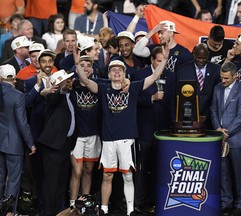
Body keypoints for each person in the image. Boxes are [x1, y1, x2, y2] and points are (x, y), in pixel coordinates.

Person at [74, 41, 170, 216]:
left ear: (125, 74)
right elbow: (86, 81)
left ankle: (131, 211)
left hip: (127, 140)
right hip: (109, 140)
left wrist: (165, 58)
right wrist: (76, 62)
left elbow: (155, 76)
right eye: (113, 70)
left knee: (127, 176)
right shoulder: (103, 88)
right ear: (109, 74)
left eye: (120, 70)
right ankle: (104, 209)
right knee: (107, 176)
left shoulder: (132, 87)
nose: (117, 72)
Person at [131, 46, 175, 214]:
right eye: (158, 60)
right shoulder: (139, 75)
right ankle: (139, 203)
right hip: (144, 130)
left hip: (163, 132)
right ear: (151, 60)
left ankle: (156, 200)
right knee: (141, 169)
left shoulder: (171, 76)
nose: (161, 63)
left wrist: (171, 127)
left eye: (163, 61)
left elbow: (172, 103)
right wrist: (151, 98)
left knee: (160, 168)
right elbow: (133, 100)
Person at [211, 61, 241, 216]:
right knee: (223, 171)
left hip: (236, 139)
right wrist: (218, 130)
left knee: (239, 173)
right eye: (222, 77)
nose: (223, 80)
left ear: (235, 76)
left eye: (226, 78)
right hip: (220, 138)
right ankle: (226, 202)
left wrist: (226, 133)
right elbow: (213, 109)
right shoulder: (217, 88)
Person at [37, 69, 76, 216]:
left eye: (68, 80)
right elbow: (51, 99)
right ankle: (47, 212)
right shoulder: (53, 96)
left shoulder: (70, 95)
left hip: (65, 144)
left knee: (61, 181)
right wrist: (58, 90)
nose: (68, 82)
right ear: (57, 84)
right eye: (64, 80)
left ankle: (59, 212)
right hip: (53, 145)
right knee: (51, 182)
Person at [24, 49, 57, 214]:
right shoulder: (30, 82)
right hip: (38, 134)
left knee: (52, 174)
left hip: (55, 135)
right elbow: (27, 104)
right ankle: (41, 207)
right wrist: (37, 85)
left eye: (49, 61)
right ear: (38, 63)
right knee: (38, 173)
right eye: (43, 61)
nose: (47, 65)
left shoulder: (60, 80)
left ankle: (53, 207)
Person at [0, 64, 36, 214]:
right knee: (13, 180)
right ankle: (9, 212)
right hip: (13, 145)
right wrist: (30, 143)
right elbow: (22, 122)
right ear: (14, 79)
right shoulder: (18, 96)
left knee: (0, 177)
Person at [69, 55, 102, 207]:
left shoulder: (98, 85)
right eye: (81, 65)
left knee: (88, 171)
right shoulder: (72, 85)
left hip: (93, 134)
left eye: (88, 66)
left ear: (92, 69)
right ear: (77, 68)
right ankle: (72, 205)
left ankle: (84, 205)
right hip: (77, 136)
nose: (85, 68)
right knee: (77, 171)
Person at [177, 43, 221, 129]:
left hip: (210, 120)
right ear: (193, 55)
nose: (201, 61)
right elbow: (177, 95)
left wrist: (207, 115)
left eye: (204, 58)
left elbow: (217, 97)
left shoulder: (216, 70)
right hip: (187, 119)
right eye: (198, 58)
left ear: (208, 56)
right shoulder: (182, 70)